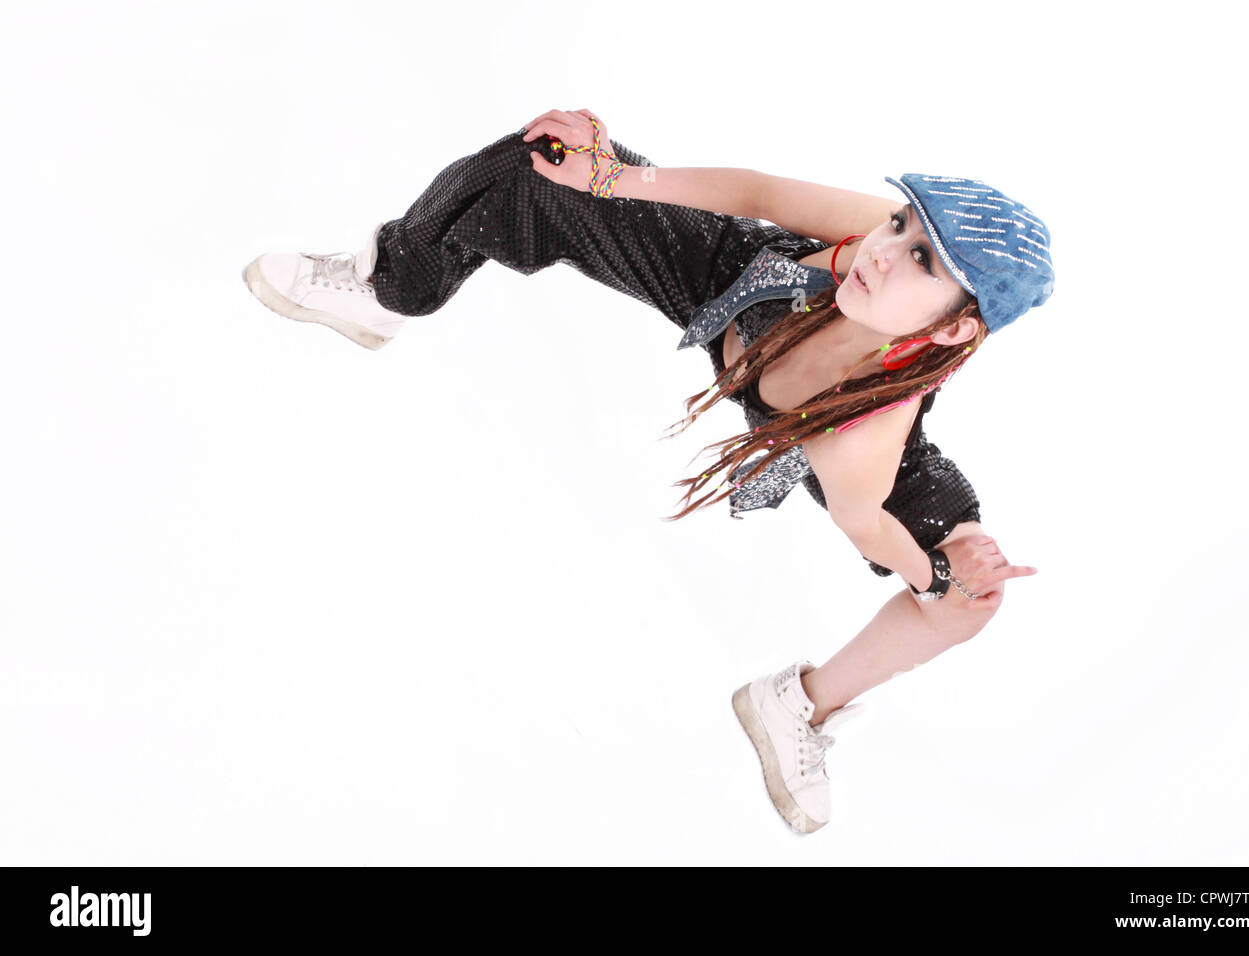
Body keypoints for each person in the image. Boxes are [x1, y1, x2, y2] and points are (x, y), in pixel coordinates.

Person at [242, 108, 1054, 835]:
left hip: (812, 427)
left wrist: (941, 575)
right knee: (541, 159)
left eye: (923, 260)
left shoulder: (868, 436)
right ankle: (388, 287)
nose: (886, 250)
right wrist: (613, 175)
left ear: (953, 332)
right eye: (903, 223)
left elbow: (863, 518)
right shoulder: (864, 245)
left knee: (972, 601)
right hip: (736, 289)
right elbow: (757, 191)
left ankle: (796, 706)